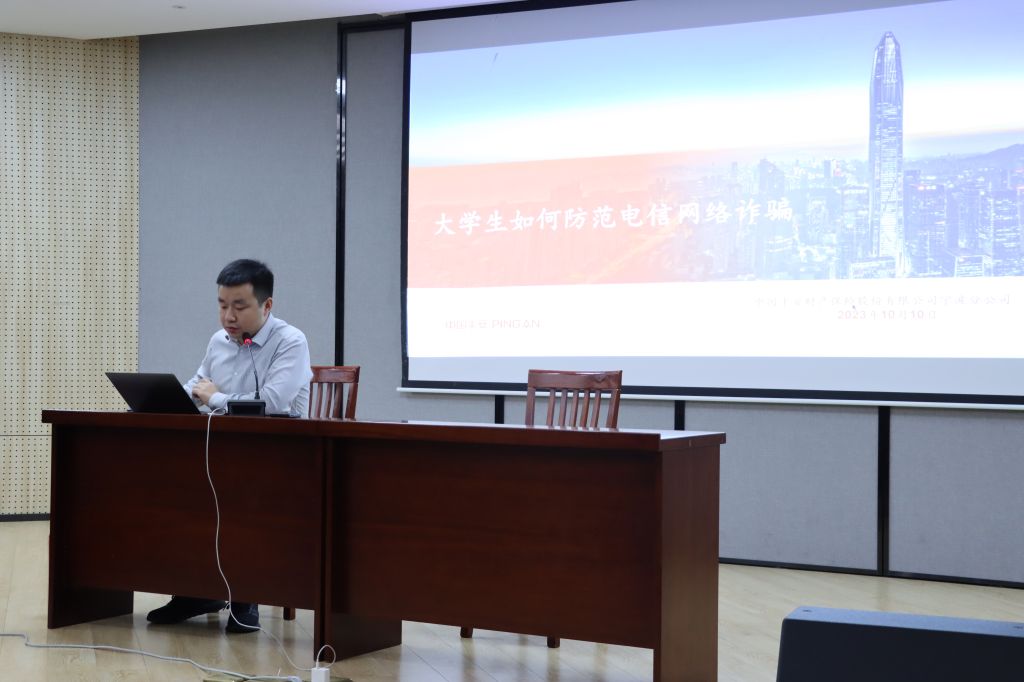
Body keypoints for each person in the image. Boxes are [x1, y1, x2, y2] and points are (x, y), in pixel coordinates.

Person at [146, 258, 313, 633]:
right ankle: (196, 591)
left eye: (239, 306)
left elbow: (272, 402)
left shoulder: (290, 341)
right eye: (222, 305)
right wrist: (166, 398)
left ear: (267, 305)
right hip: (220, 450)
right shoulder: (218, 341)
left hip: (278, 457)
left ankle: (245, 596)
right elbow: (198, 385)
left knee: (241, 491)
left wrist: (216, 398)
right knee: (176, 488)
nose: (228, 317)